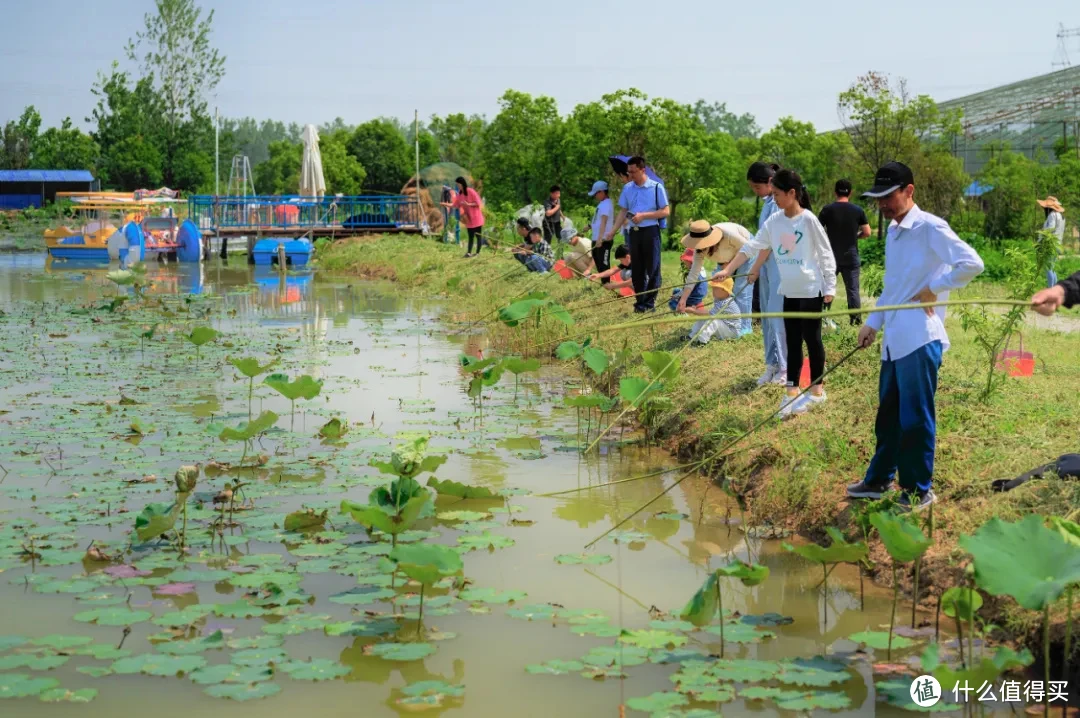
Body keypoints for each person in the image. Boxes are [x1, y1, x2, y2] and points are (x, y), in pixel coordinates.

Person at [845, 161, 984, 511]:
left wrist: (934, 288)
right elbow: (894, 286)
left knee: (915, 418)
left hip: (920, 338)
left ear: (909, 191)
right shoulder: (894, 231)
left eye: (888, 196)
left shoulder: (929, 227)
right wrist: (872, 324)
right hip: (894, 339)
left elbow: (972, 263)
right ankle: (878, 480)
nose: (882, 205)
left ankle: (917, 490)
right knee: (888, 415)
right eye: (878, 198)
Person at [716, 169, 837, 416]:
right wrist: (728, 269)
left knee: (812, 340)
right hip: (789, 289)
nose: (775, 199)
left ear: (792, 193)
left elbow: (825, 254)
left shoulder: (808, 220)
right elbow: (752, 246)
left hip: (811, 289)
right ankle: (791, 394)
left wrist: (830, 287)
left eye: (778, 194)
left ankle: (817, 391)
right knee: (792, 342)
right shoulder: (775, 221)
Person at [605, 156, 670, 313]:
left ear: (642, 170)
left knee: (653, 268)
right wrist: (612, 231)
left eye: (633, 172)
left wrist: (644, 216)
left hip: (650, 232)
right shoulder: (628, 188)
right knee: (638, 269)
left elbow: (665, 211)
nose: (631, 175)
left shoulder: (656, 188)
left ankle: (649, 303)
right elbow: (623, 211)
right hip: (634, 233)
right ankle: (640, 303)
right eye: (629, 172)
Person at [676, 220, 753, 337]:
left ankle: (744, 327)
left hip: (746, 251)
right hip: (724, 260)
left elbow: (749, 249)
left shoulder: (728, 234)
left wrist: (728, 269)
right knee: (718, 289)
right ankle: (725, 320)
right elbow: (693, 274)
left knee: (740, 289)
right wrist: (683, 299)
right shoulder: (699, 250)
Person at [746, 162, 786, 384]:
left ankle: (785, 367)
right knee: (767, 317)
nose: (755, 192)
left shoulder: (779, 204)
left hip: (779, 267)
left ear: (770, 182)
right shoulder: (766, 204)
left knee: (777, 316)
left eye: (756, 187)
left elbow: (770, 241)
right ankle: (771, 364)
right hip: (766, 266)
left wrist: (754, 267)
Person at [818, 179, 871, 325]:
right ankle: (855, 320)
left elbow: (817, 231)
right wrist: (856, 236)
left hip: (830, 256)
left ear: (835, 192)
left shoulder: (827, 209)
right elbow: (867, 232)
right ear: (851, 192)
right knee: (853, 289)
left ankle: (823, 317)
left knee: (827, 286)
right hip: (851, 255)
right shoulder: (857, 210)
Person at [682, 275, 742, 344]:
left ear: (725, 290)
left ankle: (702, 341)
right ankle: (692, 336)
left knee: (713, 320)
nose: (713, 291)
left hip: (732, 331)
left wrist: (694, 311)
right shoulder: (720, 299)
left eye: (715, 289)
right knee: (704, 318)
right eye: (713, 288)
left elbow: (709, 314)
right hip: (724, 325)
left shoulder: (726, 302)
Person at [441, 177, 485, 257]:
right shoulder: (460, 194)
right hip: (468, 219)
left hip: (476, 217)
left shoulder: (470, 191)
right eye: (457, 184)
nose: (457, 186)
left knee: (478, 236)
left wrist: (469, 204)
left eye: (458, 184)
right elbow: (455, 205)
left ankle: (477, 253)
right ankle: (469, 253)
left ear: (462, 184)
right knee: (470, 236)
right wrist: (445, 204)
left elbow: (478, 203)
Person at [1037, 195, 1066, 287]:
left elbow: (1051, 228)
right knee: (1052, 268)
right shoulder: (1061, 216)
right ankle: (1054, 289)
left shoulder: (1052, 215)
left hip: (1050, 244)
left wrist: (1041, 236)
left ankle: (1050, 290)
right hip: (1057, 244)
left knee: (1048, 268)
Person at [589, 181, 614, 281]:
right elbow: (598, 221)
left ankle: (606, 283)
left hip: (603, 240)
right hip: (596, 238)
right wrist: (589, 226)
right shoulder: (601, 204)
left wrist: (600, 239)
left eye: (596, 193)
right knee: (598, 261)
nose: (595, 196)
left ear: (602, 192)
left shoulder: (607, 204)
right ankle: (603, 283)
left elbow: (603, 222)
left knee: (604, 263)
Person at [669, 247, 708, 312]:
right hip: (699, 296)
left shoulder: (694, 275)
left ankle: (682, 311)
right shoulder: (701, 269)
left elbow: (686, 290)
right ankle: (695, 305)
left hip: (693, 298)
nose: (684, 263)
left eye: (685, 261)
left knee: (672, 302)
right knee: (676, 290)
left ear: (690, 262)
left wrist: (676, 296)